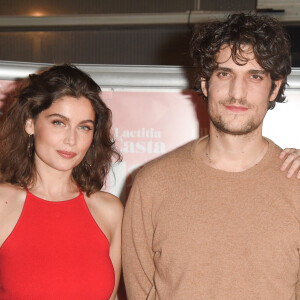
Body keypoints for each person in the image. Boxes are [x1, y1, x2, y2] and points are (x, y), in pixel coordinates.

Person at [122, 13, 300, 299]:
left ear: (274, 87)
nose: (237, 92)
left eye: (254, 76)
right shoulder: (152, 184)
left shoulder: (296, 183)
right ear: (205, 83)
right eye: (224, 73)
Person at [0, 64, 123, 300]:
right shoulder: (2, 203)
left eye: (84, 127)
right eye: (59, 122)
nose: (71, 139)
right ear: (30, 123)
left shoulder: (110, 211)